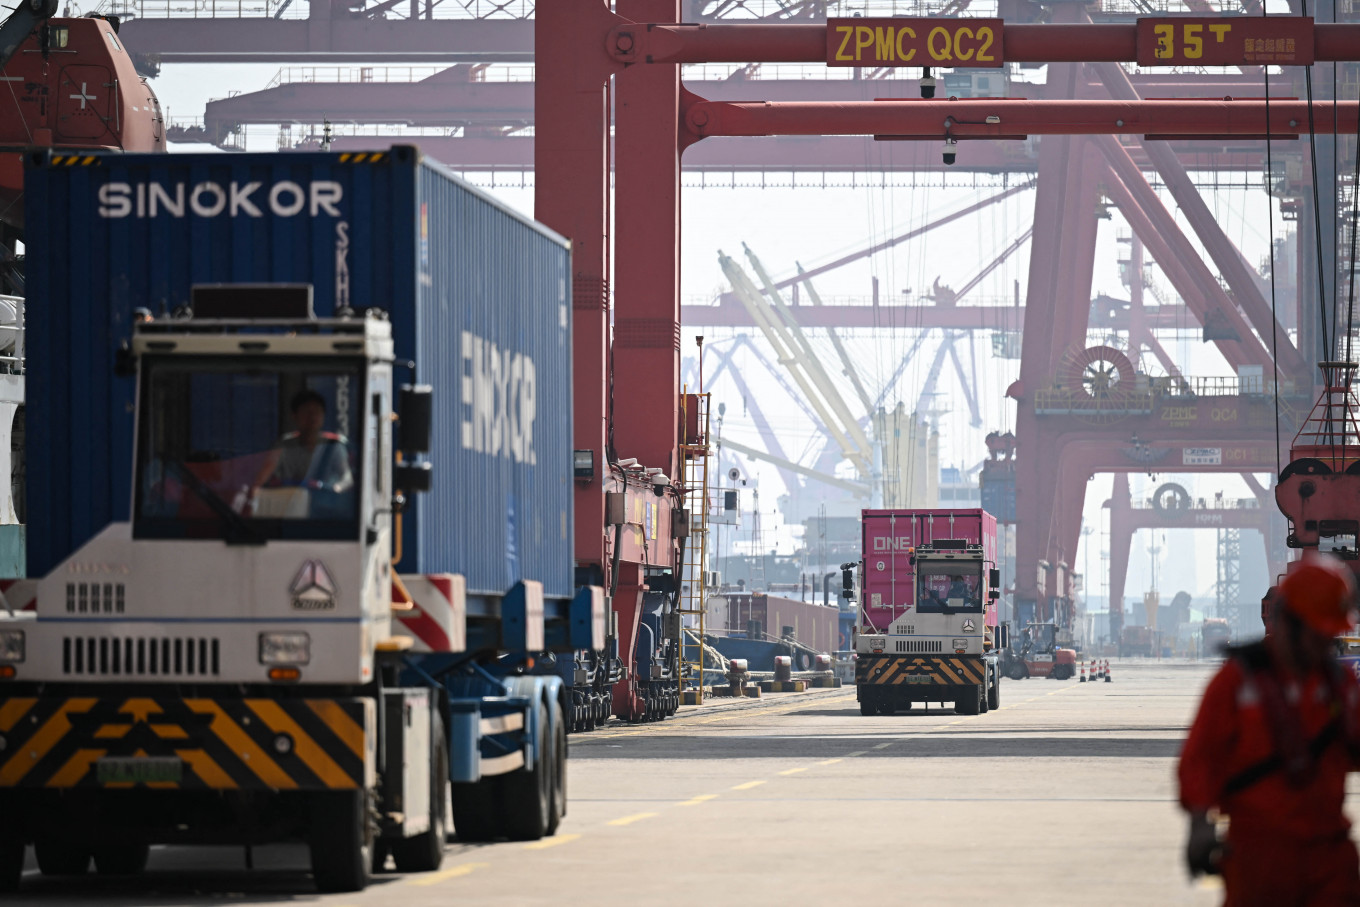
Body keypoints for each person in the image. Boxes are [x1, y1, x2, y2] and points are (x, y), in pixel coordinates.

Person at [1178, 553, 1360, 906]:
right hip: (1260, 857)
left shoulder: (1340, 684)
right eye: (1319, 634)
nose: (1327, 644)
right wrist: (1199, 823)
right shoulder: (1237, 683)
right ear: (1289, 623)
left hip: (1329, 855)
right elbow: (1201, 756)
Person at [248, 389, 353, 513]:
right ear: (295, 416)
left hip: (323, 512)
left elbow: (347, 479)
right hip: (288, 510)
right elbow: (263, 477)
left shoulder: (333, 447)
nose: (312, 417)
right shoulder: (283, 445)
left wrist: (336, 488)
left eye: (317, 412)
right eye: (307, 412)